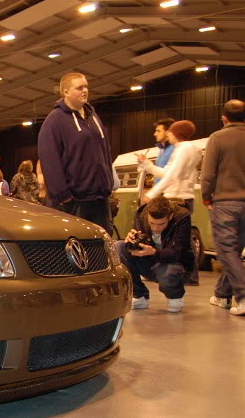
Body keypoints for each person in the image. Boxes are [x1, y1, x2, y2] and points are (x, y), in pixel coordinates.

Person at [38, 72, 114, 234]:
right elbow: (50, 161)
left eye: (86, 86)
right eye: (79, 88)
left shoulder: (93, 118)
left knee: (102, 250)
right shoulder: (54, 120)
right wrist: (63, 197)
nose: (85, 90)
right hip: (73, 203)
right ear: (66, 92)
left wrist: (108, 185)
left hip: (99, 200)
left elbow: (105, 152)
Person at [141, 120, 201, 285]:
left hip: (179, 198)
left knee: (182, 240)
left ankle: (189, 276)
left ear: (177, 133)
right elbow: (166, 172)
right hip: (178, 197)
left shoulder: (184, 149)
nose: (168, 133)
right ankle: (189, 276)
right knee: (182, 238)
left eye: (171, 131)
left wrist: (153, 193)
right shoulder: (182, 150)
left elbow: (172, 175)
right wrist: (147, 164)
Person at [201, 99, 245, 316]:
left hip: (226, 203)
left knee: (227, 250)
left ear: (224, 118)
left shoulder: (217, 137)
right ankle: (221, 294)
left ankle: (243, 296)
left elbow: (208, 173)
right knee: (234, 252)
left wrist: (206, 197)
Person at [116, 196, 193, 313]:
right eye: (151, 223)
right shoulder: (142, 215)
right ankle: (139, 295)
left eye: (161, 224)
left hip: (175, 265)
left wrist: (153, 252)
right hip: (150, 262)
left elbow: (176, 253)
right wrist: (131, 242)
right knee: (119, 246)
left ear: (170, 217)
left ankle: (174, 295)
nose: (155, 228)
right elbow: (138, 243)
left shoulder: (181, 218)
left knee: (168, 272)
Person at [151, 117, 176, 184]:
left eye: (158, 131)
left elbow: (170, 175)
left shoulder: (175, 149)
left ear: (168, 132)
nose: (155, 134)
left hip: (166, 191)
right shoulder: (161, 149)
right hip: (159, 191)